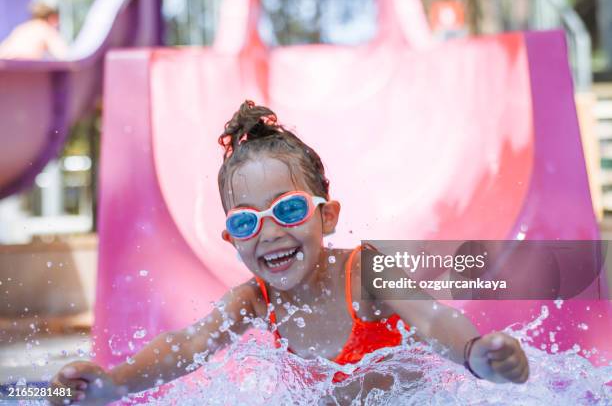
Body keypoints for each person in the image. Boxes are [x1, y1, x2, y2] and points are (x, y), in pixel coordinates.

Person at [49, 101, 529, 405]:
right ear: (232, 240)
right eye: (245, 221)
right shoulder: (253, 301)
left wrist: (474, 354)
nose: (270, 232)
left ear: (327, 216)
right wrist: (114, 384)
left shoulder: (366, 272)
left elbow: (431, 319)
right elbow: (186, 347)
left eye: (289, 209)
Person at [0, 2, 68, 60]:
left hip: (4, 68)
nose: (58, 24)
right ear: (52, 18)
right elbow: (64, 56)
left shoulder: (22, 28)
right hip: (24, 69)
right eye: (57, 19)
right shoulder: (46, 29)